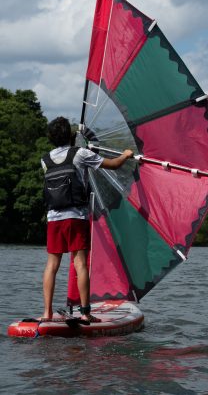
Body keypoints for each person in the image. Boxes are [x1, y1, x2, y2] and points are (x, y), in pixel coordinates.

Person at [41, 116, 133, 323]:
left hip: (54, 218)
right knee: (80, 263)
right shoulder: (81, 154)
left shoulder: (44, 160)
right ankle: (85, 313)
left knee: (51, 265)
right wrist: (126, 155)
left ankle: (46, 313)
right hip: (76, 217)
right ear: (71, 135)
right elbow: (114, 164)